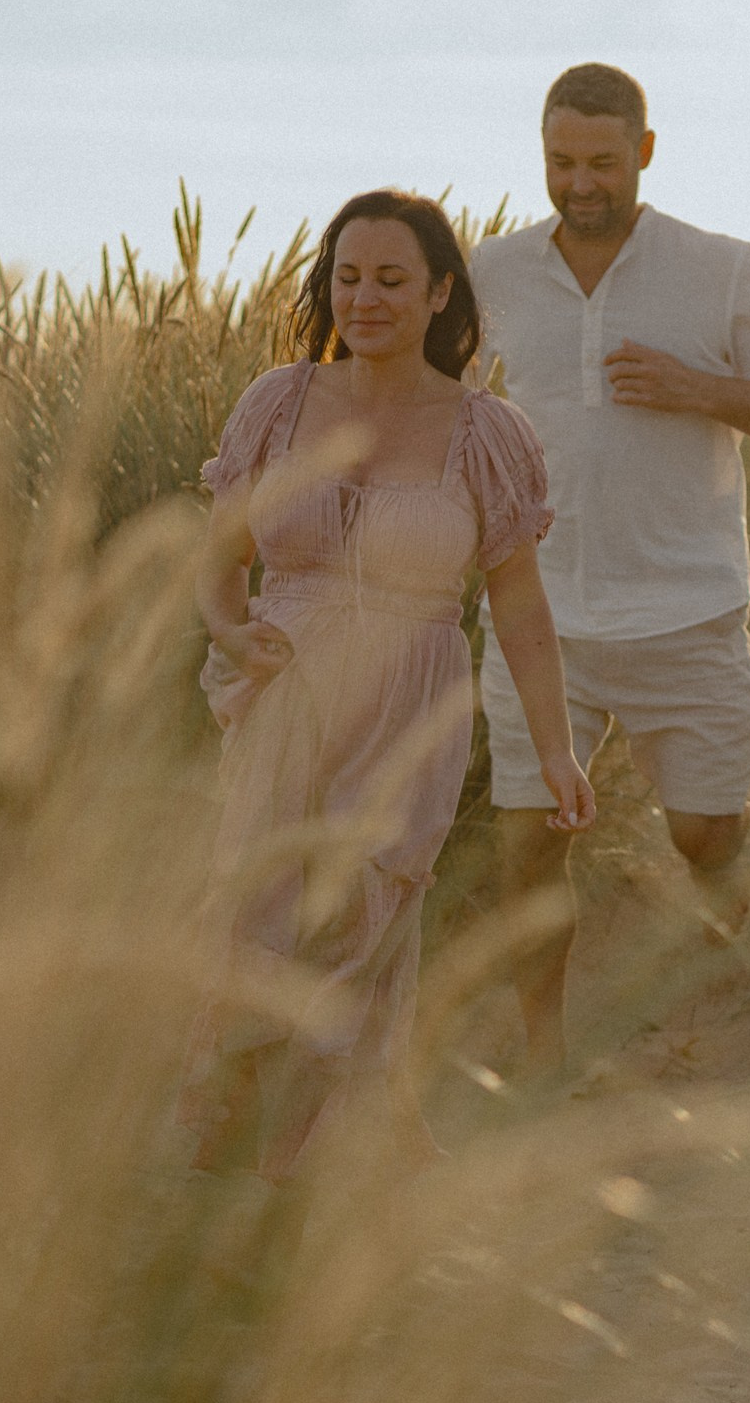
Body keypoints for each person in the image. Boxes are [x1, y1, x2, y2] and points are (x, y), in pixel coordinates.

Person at [183, 188, 597, 1179]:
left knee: (365, 910)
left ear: (439, 292)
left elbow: (520, 607)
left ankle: (320, 1146)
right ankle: (244, 1119)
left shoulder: (485, 430)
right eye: (348, 277)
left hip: (410, 704)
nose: (365, 298)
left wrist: (556, 750)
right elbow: (219, 557)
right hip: (288, 688)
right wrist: (230, 630)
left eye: (391, 279)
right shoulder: (277, 403)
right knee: (260, 901)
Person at [471, 63, 750, 1076]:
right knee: (530, 847)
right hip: (541, 615)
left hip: (688, 612)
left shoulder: (720, 268)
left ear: (644, 151)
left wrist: (696, 387)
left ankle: (721, 968)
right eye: (559, 162)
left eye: (600, 161)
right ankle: (543, 1059)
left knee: (705, 836)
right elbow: (436, 395)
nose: (579, 183)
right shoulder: (492, 270)